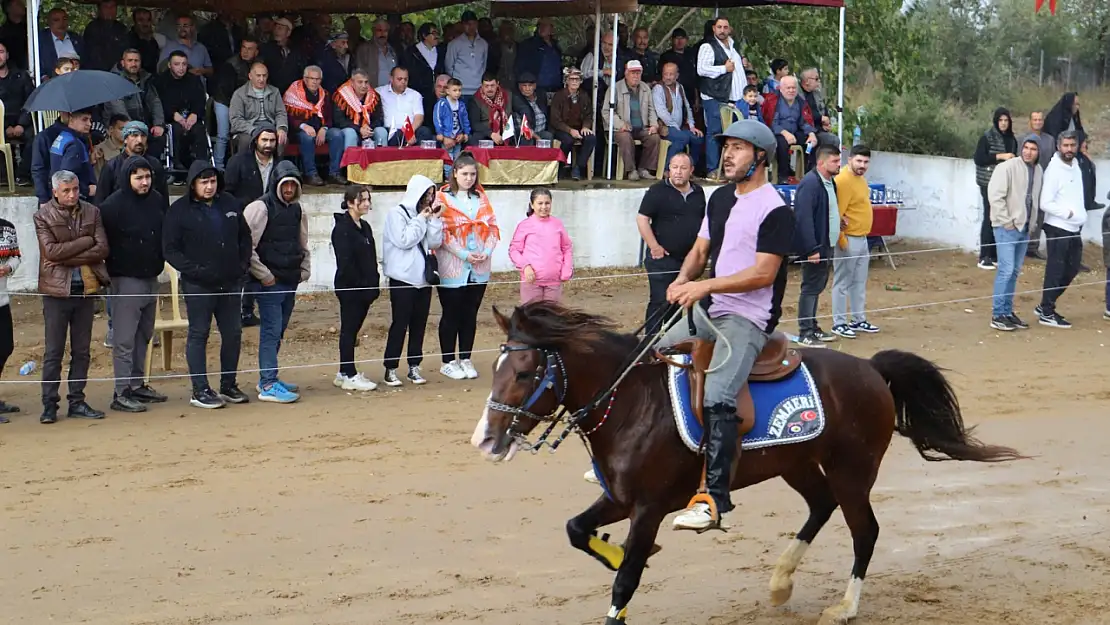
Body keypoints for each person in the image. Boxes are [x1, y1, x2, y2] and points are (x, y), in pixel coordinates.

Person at [620, 120, 794, 532]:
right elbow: (700, 251)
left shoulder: (775, 210)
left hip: (747, 318)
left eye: (738, 148)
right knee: (650, 357)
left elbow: (764, 274)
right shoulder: (718, 200)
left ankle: (714, 500)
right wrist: (682, 281)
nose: (727, 155)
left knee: (718, 393)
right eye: (727, 147)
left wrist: (703, 286)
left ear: (761, 157)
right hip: (709, 306)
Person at [162, 161, 252, 409]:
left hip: (231, 282)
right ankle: (199, 389)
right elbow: (170, 250)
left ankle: (228, 384)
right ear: (193, 184)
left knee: (233, 334)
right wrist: (196, 271)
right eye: (204, 182)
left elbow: (245, 237)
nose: (209, 186)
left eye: (212, 181)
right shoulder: (178, 210)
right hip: (198, 285)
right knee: (199, 334)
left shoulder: (230, 204)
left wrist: (242, 266)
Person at [34, 170, 110, 424]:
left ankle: (76, 400)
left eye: (76, 189)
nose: (72, 195)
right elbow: (52, 252)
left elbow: (102, 248)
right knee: (53, 351)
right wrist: (85, 241)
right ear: (55, 191)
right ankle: (49, 404)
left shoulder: (92, 211)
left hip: (85, 289)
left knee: (82, 350)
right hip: (56, 292)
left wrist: (68, 255)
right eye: (66, 190)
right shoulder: (43, 215)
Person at [99, 156, 169, 412]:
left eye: (148, 177)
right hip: (125, 278)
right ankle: (121, 391)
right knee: (124, 338)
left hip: (152, 276)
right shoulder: (112, 206)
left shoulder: (157, 200)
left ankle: (137, 383)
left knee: (144, 334)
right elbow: (101, 241)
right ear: (127, 178)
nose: (145, 182)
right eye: (138, 177)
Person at [243, 161, 309, 403]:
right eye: (286, 184)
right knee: (271, 331)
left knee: (278, 330)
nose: (289, 189)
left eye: (293, 184)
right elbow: (246, 245)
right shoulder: (259, 208)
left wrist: (304, 269)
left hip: (290, 279)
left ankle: (268, 377)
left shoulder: (298, 210)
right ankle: (268, 383)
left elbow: (302, 242)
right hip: (269, 282)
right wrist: (264, 275)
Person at [435, 153, 499, 381]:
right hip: (453, 264)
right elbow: (442, 231)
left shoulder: (481, 197)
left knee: (470, 313)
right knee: (451, 312)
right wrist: (463, 254)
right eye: (464, 174)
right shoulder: (442, 198)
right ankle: (447, 360)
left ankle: (465, 357)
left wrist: (487, 251)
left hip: (479, 265)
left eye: (473, 174)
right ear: (454, 173)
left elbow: (492, 227)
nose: (469, 178)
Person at [381, 174, 444, 386]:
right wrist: (421, 219)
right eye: (425, 194)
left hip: (423, 280)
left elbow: (434, 243)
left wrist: (434, 220)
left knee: (419, 324)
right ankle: (390, 367)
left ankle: (414, 366)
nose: (428, 199)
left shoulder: (424, 215)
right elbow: (404, 240)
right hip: (402, 279)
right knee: (400, 324)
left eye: (431, 195)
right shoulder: (396, 214)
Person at [636, 152, 705, 335]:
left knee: (679, 302)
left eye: (683, 168)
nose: (678, 172)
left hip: (687, 260)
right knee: (660, 300)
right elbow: (642, 219)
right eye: (674, 167)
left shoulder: (698, 192)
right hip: (662, 259)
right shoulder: (657, 191)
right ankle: (650, 343)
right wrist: (654, 246)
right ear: (669, 170)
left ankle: (674, 342)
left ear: (691, 170)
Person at [986, 134, 1042, 332]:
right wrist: (1006, 221)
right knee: (1006, 270)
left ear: (1038, 152)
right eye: (1026, 147)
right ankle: (997, 314)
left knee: (1014, 272)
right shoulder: (1007, 167)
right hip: (1006, 228)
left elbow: (1033, 199)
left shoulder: (1038, 170)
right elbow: (995, 195)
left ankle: (1007, 312)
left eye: (1033, 149)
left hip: (1024, 228)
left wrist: (1032, 224)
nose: (1028, 152)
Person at [331, 185, 380, 392]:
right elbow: (346, 263)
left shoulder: (365, 226)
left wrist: (373, 283)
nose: (367, 204)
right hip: (351, 289)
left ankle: (344, 371)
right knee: (349, 330)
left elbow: (371, 257)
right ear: (350, 202)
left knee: (353, 329)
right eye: (362, 200)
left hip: (366, 289)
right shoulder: (341, 229)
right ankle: (349, 373)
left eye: (368, 199)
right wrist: (360, 287)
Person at [793, 144, 842, 345]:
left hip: (826, 244)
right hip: (816, 247)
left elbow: (825, 211)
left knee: (817, 286)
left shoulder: (830, 183)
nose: (840, 165)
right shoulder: (810, 184)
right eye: (835, 161)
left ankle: (812, 327)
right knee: (810, 288)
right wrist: (811, 249)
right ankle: (805, 332)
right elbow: (803, 218)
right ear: (821, 162)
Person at [1036, 130, 1085, 329]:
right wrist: (1068, 214)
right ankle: (1047, 311)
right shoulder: (1054, 170)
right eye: (1065, 145)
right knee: (1056, 270)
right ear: (1058, 146)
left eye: (1072, 145)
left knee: (1072, 268)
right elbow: (1045, 202)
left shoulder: (1075, 166)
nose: (1069, 149)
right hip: (1058, 227)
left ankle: (1045, 304)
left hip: (1074, 228)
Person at [831, 144, 880, 339]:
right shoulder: (843, 180)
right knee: (842, 282)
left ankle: (858, 318)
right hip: (849, 238)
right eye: (859, 161)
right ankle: (839, 322)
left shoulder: (860, 180)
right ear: (849, 159)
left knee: (859, 282)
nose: (862, 165)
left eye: (866, 162)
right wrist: (841, 239)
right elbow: (838, 212)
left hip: (862, 237)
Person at [696, 17, 745, 179]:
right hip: (714, 96)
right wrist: (724, 68)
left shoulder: (732, 46)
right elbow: (701, 69)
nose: (722, 30)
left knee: (731, 135)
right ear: (713, 29)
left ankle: (729, 169)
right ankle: (713, 169)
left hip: (732, 98)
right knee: (714, 132)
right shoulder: (708, 46)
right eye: (719, 27)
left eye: (725, 27)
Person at [509, 188, 573, 304]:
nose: (544, 207)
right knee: (532, 317)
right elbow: (514, 250)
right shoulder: (524, 225)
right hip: (531, 281)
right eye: (540, 203)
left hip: (554, 281)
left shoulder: (557, 224)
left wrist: (566, 269)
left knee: (551, 317)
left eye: (547, 203)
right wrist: (525, 266)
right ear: (532, 205)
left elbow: (566, 248)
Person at [972, 107, 1018, 270]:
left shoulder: (1012, 139)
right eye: (1001, 120)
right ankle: (984, 256)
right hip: (988, 182)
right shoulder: (987, 137)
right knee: (989, 216)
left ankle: (995, 254)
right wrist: (1000, 156)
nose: (1004, 123)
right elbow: (979, 158)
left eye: (1006, 120)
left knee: (999, 218)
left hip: (1004, 183)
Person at [284, 65, 342, 186]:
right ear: (305, 79)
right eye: (311, 78)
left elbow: (329, 116)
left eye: (318, 79)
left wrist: (324, 128)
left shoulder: (324, 94)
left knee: (337, 134)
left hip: (320, 129)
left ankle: (334, 173)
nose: (315, 82)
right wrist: (304, 126)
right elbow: (288, 116)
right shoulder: (293, 92)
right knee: (307, 137)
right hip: (299, 130)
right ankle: (310, 174)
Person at [156, 50, 210, 175]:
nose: (181, 68)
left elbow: (201, 99)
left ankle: (201, 164)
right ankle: (177, 164)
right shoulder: (161, 81)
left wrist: (195, 114)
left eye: (184, 64)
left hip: (191, 117)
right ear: (169, 65)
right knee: (175, 130)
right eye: (177, 64)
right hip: (171, 119)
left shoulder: (194, 80)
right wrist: (174, 114)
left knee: (199, 130)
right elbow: (159, 102)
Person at [94, 121, 170, 210]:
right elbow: (100, 201)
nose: (139, 140)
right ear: (125, 139)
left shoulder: (155, 164)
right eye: (134, 135)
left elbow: (164, 200)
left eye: (143, 136)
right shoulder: (112, 166)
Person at [605, 60, 660, 181]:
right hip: (622, 128)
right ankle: (631, 170)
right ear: (626, 73)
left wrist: (654, 125)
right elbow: (606, 111)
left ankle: (644, 169)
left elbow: (651, 109)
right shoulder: (615, 88)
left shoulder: (645, 88)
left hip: (641, 127)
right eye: (632, 73)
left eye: (638, 73)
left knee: (654, 137)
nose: (636, 76)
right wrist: (620, 124)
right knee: (625, 137)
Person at [653, 60, 704, 172]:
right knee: (681, 137)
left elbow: (687, 107)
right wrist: (675, 127)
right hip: (665, 127)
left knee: (697, 137)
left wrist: (691, 126)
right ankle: (667, 169)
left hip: (679, 127)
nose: (668, 77)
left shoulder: (680, 87)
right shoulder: (658, 88)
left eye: (671, 74)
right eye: (665, 74)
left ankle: (690, 170)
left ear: (677, 75)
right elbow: (662, 112)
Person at [229, 62, 289, 154]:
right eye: (258, 76)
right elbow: (236, 120)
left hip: (269, 127)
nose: (261, 79)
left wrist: (281, 128)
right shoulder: (239, 94)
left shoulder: (275, 91)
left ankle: (277, 167)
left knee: (281, 139)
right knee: (247, 141)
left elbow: (281, 113)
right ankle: (248, 168)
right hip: (248, 130)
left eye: (264, 76)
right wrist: (254, 130)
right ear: (250, 76)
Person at [549, 68, 595, 181]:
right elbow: (555, 120)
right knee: (567, 140)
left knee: (591, 138)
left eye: (577, 79)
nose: (574, 82)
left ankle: (578, 167)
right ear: (567, 81)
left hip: (579, 128)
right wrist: (570, 130)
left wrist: (585, 126)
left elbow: (589, 114)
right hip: (561, 129)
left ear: (580, 81)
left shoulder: (584, 95)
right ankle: (560, 167)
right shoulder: (559, 96)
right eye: (572, 79)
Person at [48, 108, 97, 201]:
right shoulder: (74, 144)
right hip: (74, 198)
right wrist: (86, 190)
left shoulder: (63, 136)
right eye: (84, 119)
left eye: (90, 120)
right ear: (71, 119)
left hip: (61, 195)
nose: (89, 124)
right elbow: (67, 176)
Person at [0, 212, 20, 420]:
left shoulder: (7, 227)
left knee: (6, 347)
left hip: (1, 299)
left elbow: (15, 255)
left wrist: (8, 267)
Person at [434, 77, 471, 166]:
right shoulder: (442, 104)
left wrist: (466, 133)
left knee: (457, 158)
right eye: (454, 90)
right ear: (447, 91)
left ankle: (456, 176)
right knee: (447, 158)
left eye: (459, 90)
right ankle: (448, 177)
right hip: (447, 136)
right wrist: (440, 133)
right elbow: (437, 118)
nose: (458, 93)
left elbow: (465, 120)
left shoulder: (461, 105)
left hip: (458, 136)